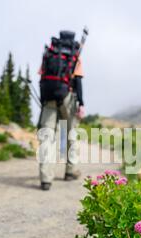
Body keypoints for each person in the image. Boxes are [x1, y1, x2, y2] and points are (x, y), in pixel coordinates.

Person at [37, 30, 85, 191]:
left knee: (47, 137)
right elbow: (78, 81)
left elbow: (41, 75)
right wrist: (81, 103)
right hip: (67, 97)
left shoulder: (49, 53)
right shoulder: (74, 55)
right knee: (71, 134)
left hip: (48, 97)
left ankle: (46, 179)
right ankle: (70, 171)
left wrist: (44, 100)